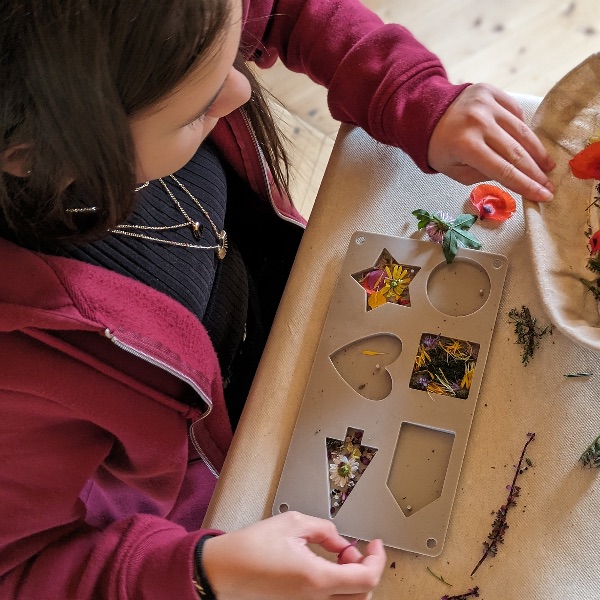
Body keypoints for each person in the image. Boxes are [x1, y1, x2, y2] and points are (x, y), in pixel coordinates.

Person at [0, 0, 556, 598]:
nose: (242, 89)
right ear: (40, 158)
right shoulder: (21, 385)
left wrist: (411, 92)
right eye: (196, 110)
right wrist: (202, 571)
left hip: (288, 308)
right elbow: (21, 569)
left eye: (232, 50)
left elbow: (283, 11)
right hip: (227, 465)